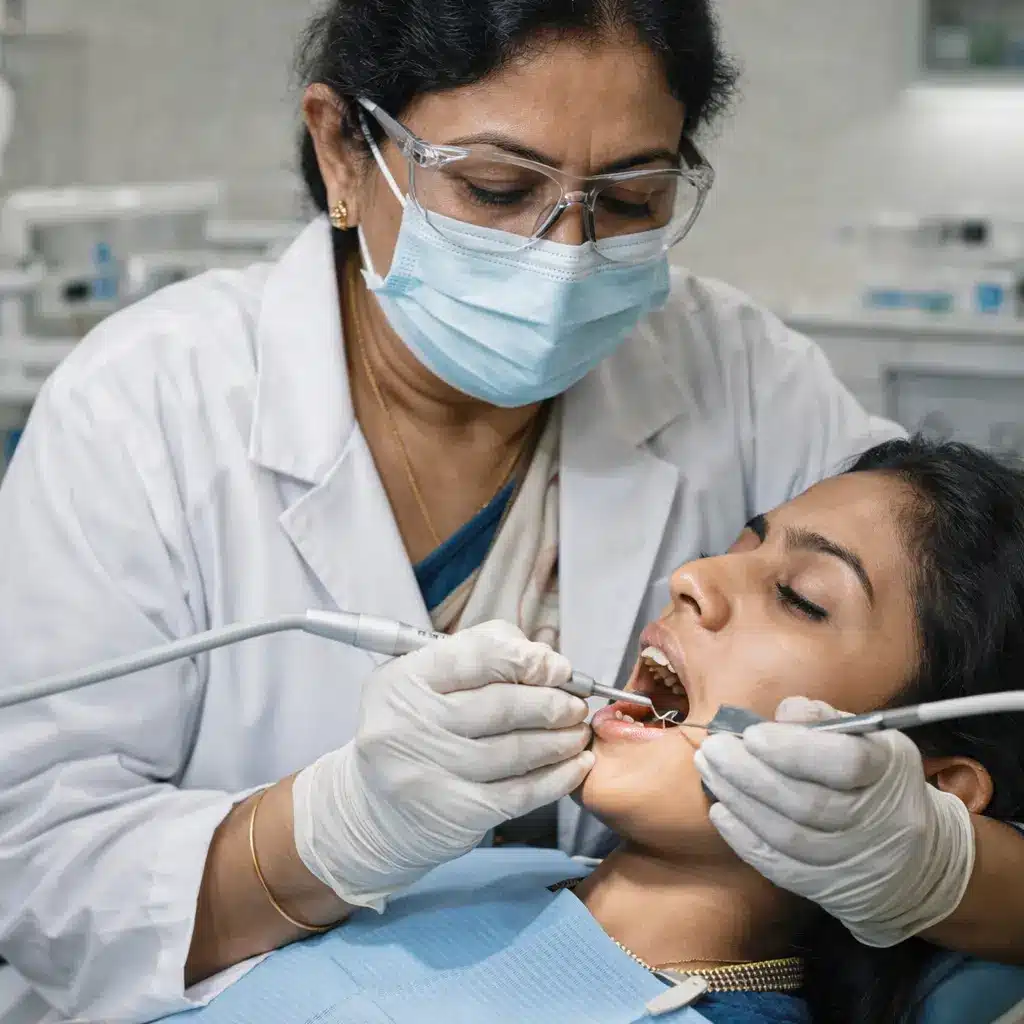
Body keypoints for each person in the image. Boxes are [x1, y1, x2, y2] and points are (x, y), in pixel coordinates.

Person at [0, 0, 1022, 1020]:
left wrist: (937, 867)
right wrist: (325, 833)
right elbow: (34, 869)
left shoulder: (739, 380)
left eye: (630, 199)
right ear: (345, 152)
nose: (566, 249)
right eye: (498, 188)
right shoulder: (151, 405)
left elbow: (954, 622)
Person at [169, 436, 1024, 1024]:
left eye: (800, 596)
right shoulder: (486, 874)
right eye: (736, 546)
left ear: (931, 793)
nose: (692, 577)